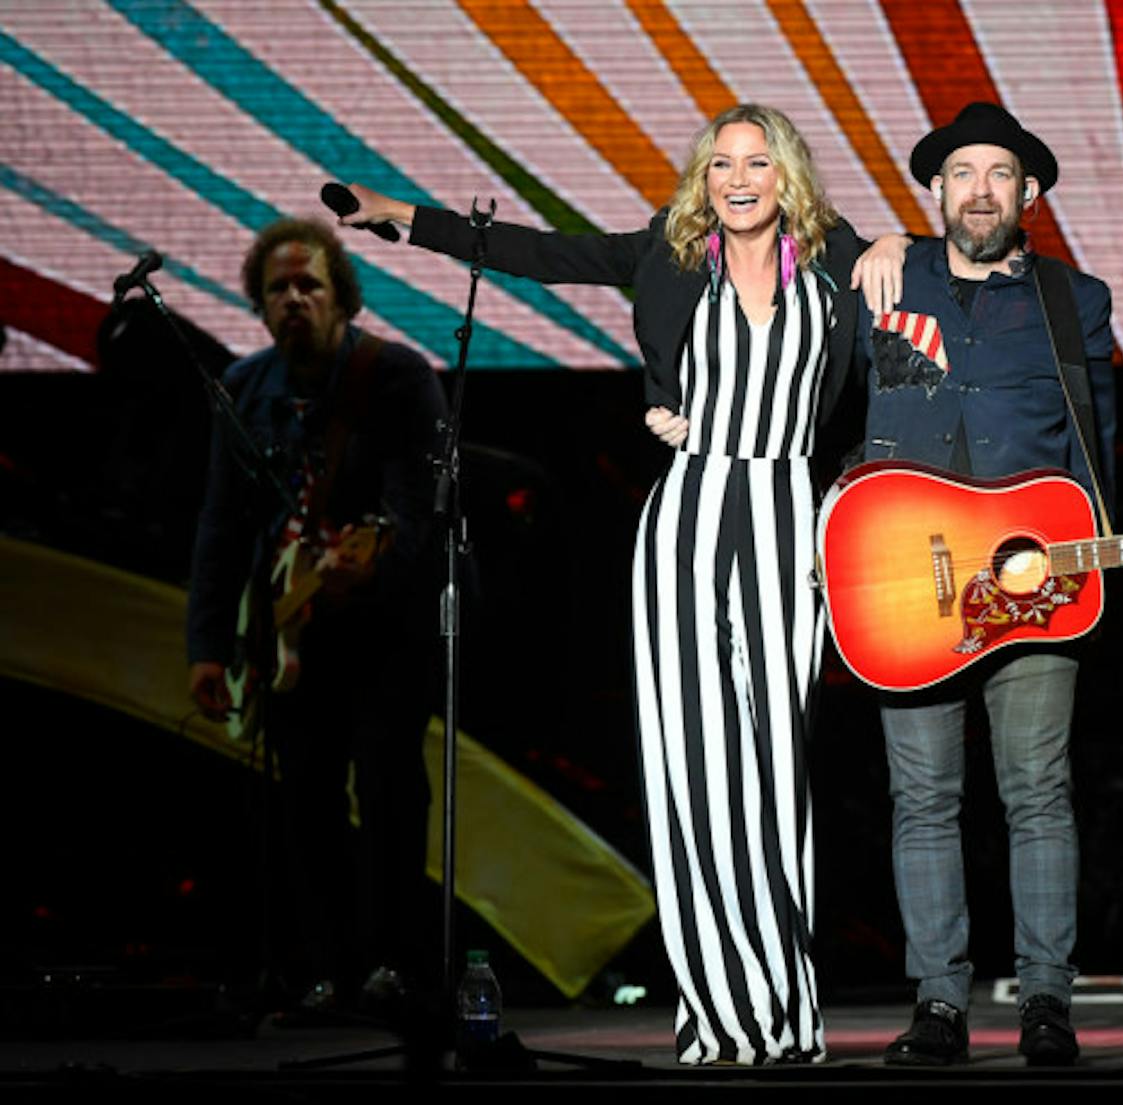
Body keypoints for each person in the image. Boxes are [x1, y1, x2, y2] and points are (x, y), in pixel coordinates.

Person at [336, 103, 904, 1065]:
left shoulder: (838, 260)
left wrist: (894, 237)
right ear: (702, 177)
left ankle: (785, 1009)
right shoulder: (670, 257)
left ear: (788, 175)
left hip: (789, 525)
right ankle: (720, 1016)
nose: (737, 177)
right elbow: (543, 253)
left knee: (773, 780)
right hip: (687, 519)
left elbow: (929, 316)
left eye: (757, 161)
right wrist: (409, 217)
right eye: (720, 161)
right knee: (694, 776)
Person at [863, 102, 1116, 1067]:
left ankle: (1046, 1002)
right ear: (933, 192)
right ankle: (939, 1007)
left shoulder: (1073, 299)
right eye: (960, 173)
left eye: (998, 174)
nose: (978, 190)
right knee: (923, 798)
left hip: (1034, 584)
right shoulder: (883, 281)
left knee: (1037, 791)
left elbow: (1099, 443)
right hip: (906, 585)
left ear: (1030, 194)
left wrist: (1090, 562)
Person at [186, 217, 447, 1021]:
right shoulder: (246, 386)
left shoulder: (395, 376)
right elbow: (221, 525)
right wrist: (209, 647)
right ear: (260, 307)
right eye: (278, 289)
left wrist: (377, 558)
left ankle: (399, 966)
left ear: (342, 297)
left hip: (387, 625)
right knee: (304, 800)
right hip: (292, 635)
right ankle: (328, 970)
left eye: (310, 285)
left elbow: (421, 504)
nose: (294, 299)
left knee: (390, 788)